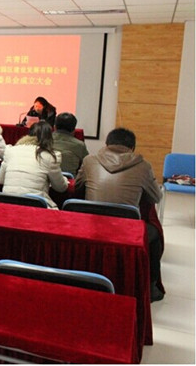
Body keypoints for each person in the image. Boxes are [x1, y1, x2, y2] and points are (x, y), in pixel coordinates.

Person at [75, 127, 164, 301]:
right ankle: (151, 287)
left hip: (90, 226)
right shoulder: (144, 166)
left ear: (107, 144)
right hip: (125, 230)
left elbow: (78, 187)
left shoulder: (89, 160)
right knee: (155, 233)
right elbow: (156, 197)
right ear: (132, 147)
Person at [0, 121, 69, 209]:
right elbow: (60, 188)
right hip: (35, 205)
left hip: (7, 202)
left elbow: (0, 180)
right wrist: (65, 180)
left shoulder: (10, 151)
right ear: (50, 138)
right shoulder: (50, 156)